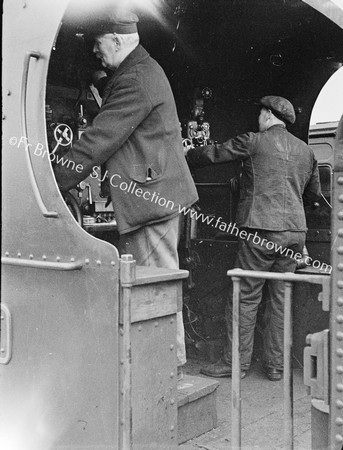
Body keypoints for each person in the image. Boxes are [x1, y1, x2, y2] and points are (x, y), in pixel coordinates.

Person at [54, 9, 198, 372]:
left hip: (149, 199)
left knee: (154, 286)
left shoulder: (135, 77)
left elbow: (100, 139)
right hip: (154, 194)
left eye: (98, 43)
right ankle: (166, 363)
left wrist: (52, 179)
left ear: (117, 40)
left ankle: (164, 369)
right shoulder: (139, 70)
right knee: (157, 282)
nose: (94, 51)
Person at [185, 96, 321, 381]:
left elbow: (216, 154)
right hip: (295, 235)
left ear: (269, 115)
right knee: (280, 298)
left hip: (260, 231)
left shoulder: (254, 141)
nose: (258, 118)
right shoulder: (306, 152)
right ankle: (275, 366)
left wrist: (186, 153)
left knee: (245, 296)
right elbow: (312, 195)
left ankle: (236, 364)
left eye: (260, 113)